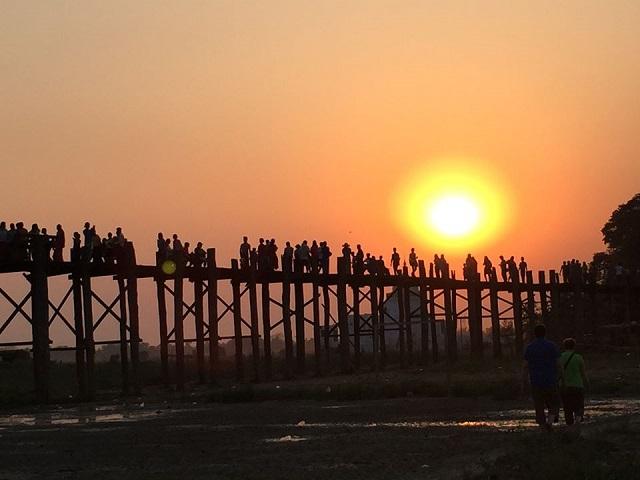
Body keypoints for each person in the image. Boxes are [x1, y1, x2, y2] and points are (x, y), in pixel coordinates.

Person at [524, 324, 562, 431]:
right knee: (554, 403)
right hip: (550, 380)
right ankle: (550, 423)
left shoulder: (530, 347)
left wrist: (523, 381)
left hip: (535, 381)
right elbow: (558, 364)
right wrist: (562, 377)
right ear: (545, 333)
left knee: (539, 405)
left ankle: (542, 427)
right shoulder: (552, 346)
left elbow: (525, 366)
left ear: (534, 334)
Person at [559, 338, 588, 426]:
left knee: (567, 407)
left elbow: (558, 371)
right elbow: (583, 372)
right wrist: (586, 382)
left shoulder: (560, 357)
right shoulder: (578, 357)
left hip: (564, 386)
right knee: (579, 405)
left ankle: (569, 425)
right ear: (574, 346)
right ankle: (578, 421)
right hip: (578, 385)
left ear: (564, 346)